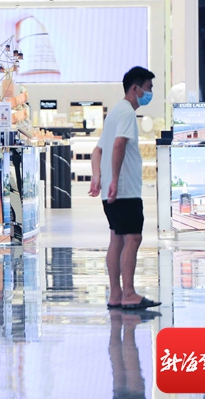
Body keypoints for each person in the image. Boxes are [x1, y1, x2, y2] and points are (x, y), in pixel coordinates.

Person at [89, 66, 160, 310]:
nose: (150, 93)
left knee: (117, 239)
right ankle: (128, 293)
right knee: (133, 238)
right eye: (148, 88)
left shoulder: (115, 113)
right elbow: (118, 145)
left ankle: (116, 294)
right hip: (125, 190)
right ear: (135, 88)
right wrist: (115, 181)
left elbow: (97, 151)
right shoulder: (127, 113)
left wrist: (98, 177)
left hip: (114, 191)